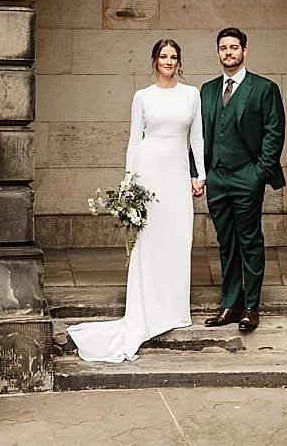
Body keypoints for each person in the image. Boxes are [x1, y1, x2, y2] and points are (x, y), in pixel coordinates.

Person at [69, 39, 206, 362]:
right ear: (154, 60)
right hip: (149, 170)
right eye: (163, 56)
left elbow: (198, 136)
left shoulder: (191, 94)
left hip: (177, 172)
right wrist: (129, 181)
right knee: (151, 240)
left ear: (179, 61)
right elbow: (134, 140)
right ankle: (147, 308)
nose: (169, 61)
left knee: (178, 238)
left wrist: (200, 174)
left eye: (174, 57)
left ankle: (174, 309)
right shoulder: (142, 96)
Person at [200, 27, 287, 333]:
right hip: (217, 177)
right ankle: (230, 304)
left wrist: (259, 174)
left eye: (234, 47)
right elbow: (201, 136)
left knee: (249, 240)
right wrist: (202, 172)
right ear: (218, 52)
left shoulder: (263, 88)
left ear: (244, 51)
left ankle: (251, 307)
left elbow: (274, 134)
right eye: (223, 48)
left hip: (246, 176)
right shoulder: (207, 90)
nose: (228, 53)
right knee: (226, 242)